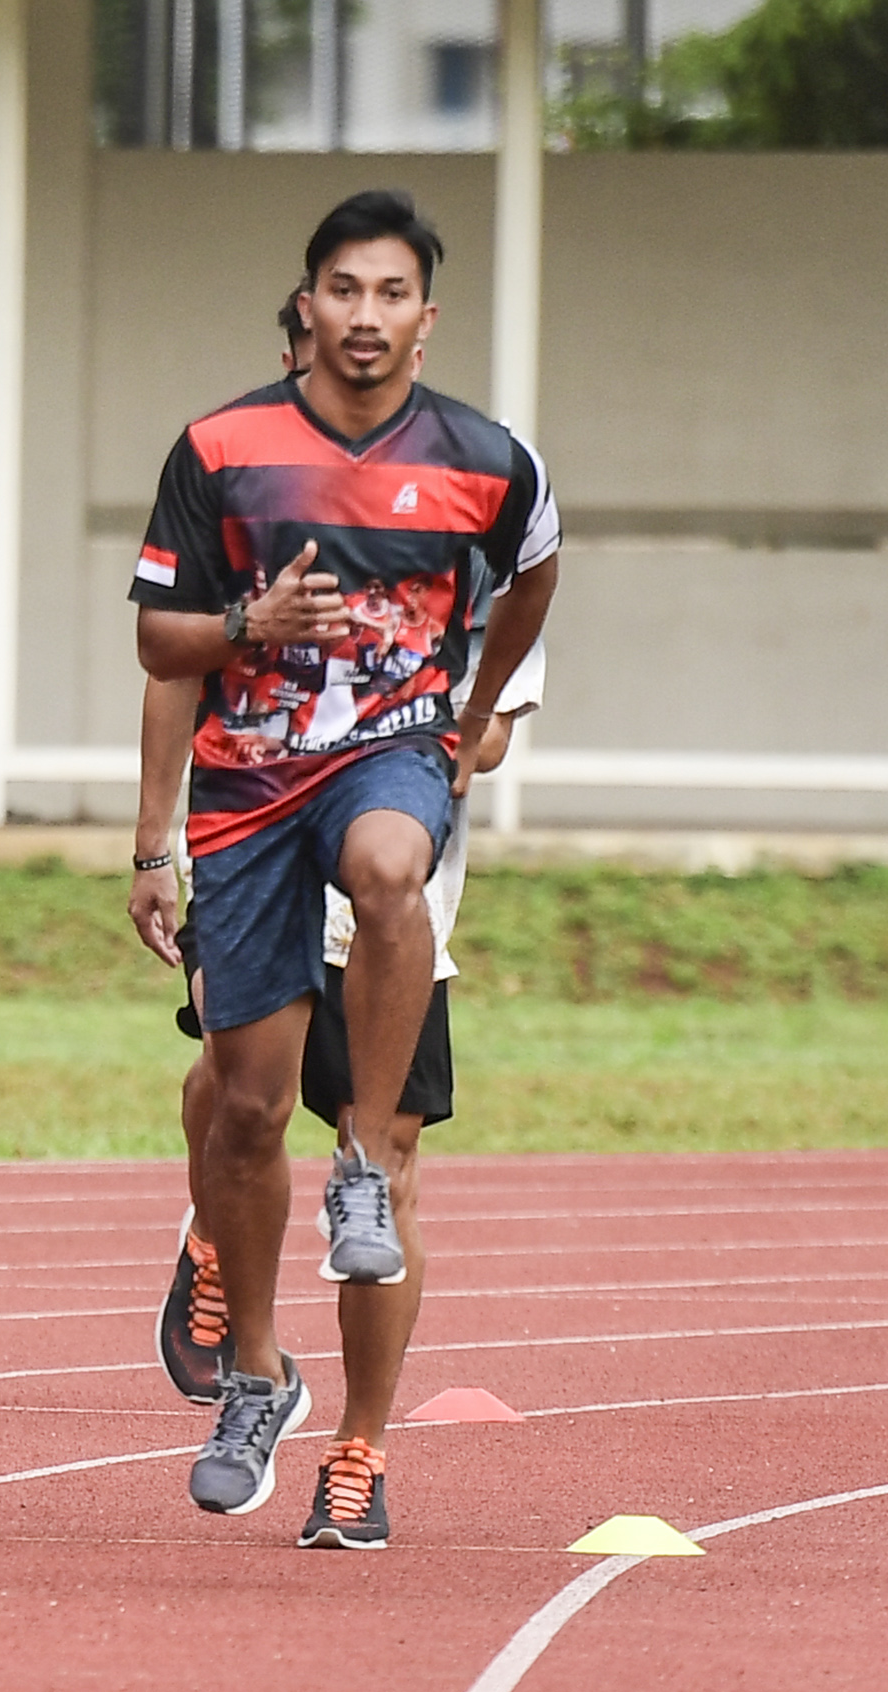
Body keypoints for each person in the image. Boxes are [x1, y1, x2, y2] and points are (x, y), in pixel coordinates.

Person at [127, 190, 551, 1529]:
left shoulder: (484, 471)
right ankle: (247, 1348)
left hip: (390, 818)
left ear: (425, 318)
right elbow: (160, 654)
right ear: (305, 302)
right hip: (249, 801)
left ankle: (359, 1435)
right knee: (235, 1106)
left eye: (389, 295)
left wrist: (467, 718)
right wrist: (151, 832)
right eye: (340, 292)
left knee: (384, 878)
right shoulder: (222, 451)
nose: (362, 318)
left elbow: (535, 583)